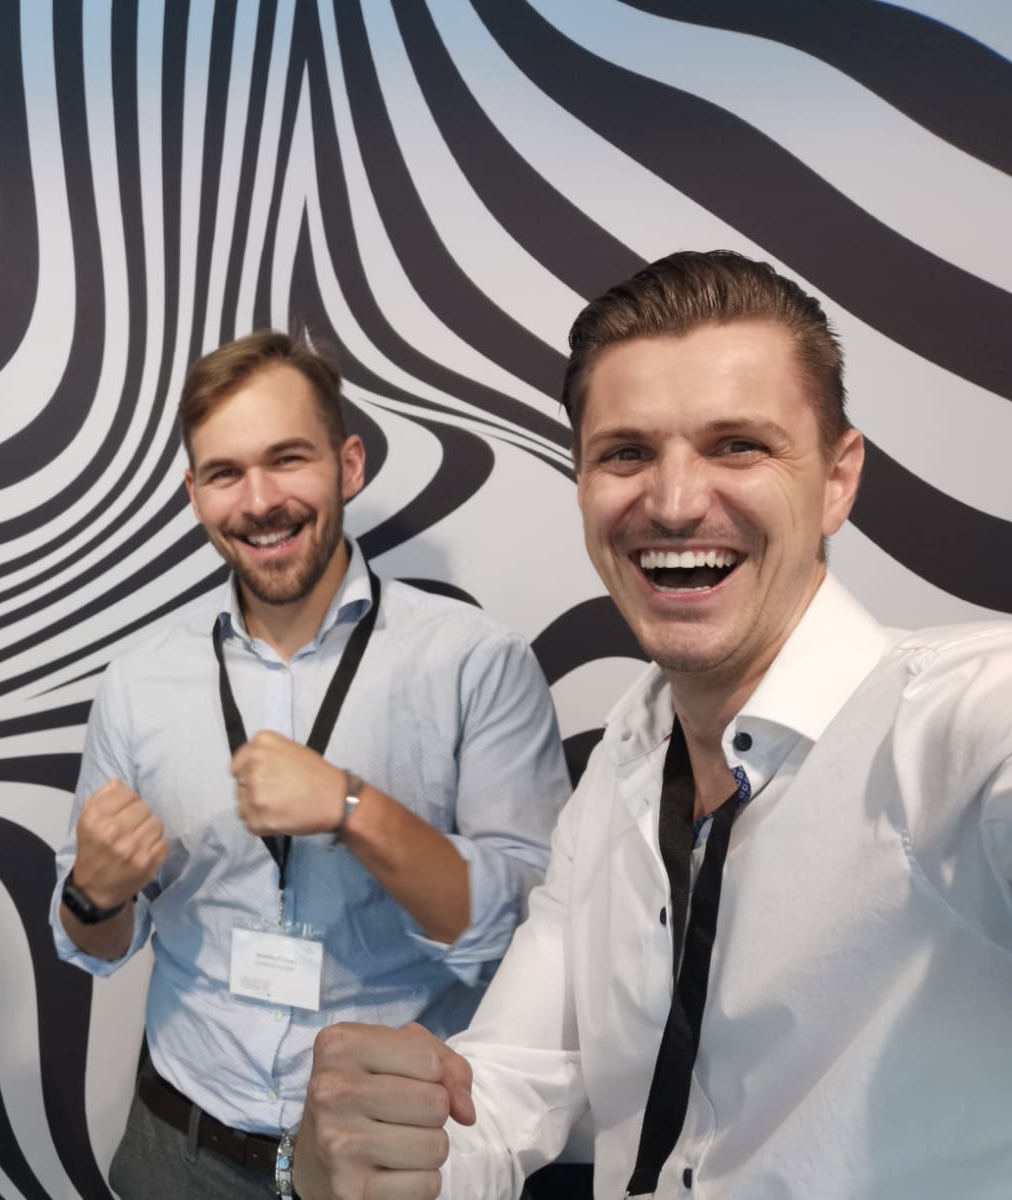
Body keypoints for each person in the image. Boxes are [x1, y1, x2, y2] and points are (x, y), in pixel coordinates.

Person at [293, 250, 1012, 1199]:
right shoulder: (623, 762)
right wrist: (378, 1156)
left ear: (838, 480)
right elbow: (508, 1091)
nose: (674, 504)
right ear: (583, 482)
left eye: (738, 446)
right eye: (626, 453)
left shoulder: (947, 725)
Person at [49, 331, 571, 1199]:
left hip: (391, 1162)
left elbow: (519, 936)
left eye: (287, 459)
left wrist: (354, 808)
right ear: (194, 494)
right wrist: (92, 896)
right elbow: (94, 945)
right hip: (177, 1148)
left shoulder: (477, 662)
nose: (259, 501)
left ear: (348, 464)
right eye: (225, 473)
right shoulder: (139, 681)